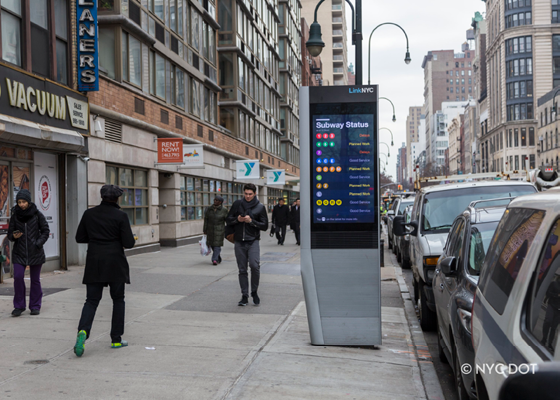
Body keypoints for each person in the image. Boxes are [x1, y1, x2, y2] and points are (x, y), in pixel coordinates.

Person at [73, 184, 136, 357]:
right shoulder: (121, 216)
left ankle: (83, 332)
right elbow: (129, 243)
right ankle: (116, 339)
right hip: (115, 262)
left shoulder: (89, 214)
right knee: (118, 300)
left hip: (95, 262)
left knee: (91, 300)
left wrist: (95, 238)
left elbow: (79, 237)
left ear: (102, 197)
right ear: (116, 198)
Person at [8, 189, 50, 317]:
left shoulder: (37, 214)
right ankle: (19, 306)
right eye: (19, 202)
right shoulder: (15, 216)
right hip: (19, 253)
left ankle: (35, 306)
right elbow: (10, 235)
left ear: (29, 201)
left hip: (35, 252)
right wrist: (14, 236)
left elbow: (45, 231)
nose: (21, 204)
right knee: (18, 277)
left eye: (24, 202)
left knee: (35, 280)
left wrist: (38, 243)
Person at [226, 183, 268, 306]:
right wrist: (237, 220)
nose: (248, 196)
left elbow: (265, 226)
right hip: (239, 241)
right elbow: (228, 220)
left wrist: (251, 221)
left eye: (250, 194)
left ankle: (254, 291)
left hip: (253, 240)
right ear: (243, 193)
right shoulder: (237, 204)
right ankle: (244, 295)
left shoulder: (260, 207)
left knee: (255, 266)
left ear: (254, 193)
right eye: (246, 194)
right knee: (242, 269)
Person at [203, 195, 228, 265]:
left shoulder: (224, 210)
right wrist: (205, 230)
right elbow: (206, 219)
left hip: (219, 230)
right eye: (214, 200)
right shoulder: (209, 209)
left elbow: (227, 220)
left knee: (217, 245)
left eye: (217, 200)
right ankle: (218, 258)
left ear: (220, 202)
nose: (215, 201)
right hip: (210, 230)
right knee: (212, 245)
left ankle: (214, 259)